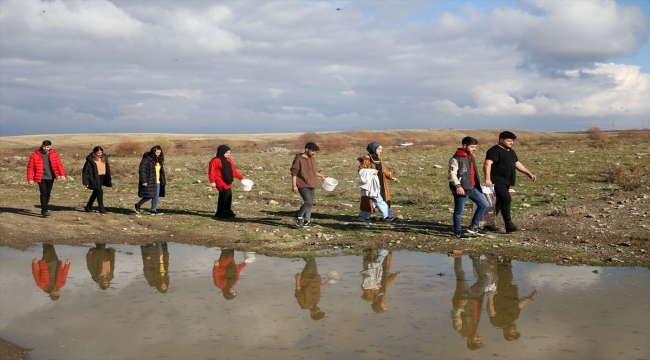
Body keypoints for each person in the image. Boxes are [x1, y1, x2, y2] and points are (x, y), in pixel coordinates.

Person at [484, 131, 536, 233]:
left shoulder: (511, 151)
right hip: (497, 180)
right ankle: (509, 224)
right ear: (501, 140)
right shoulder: (494, 150)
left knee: (498, 203)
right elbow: (487, 164)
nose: (511, 143)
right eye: (509, 140)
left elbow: (517, 163)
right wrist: (488, 179)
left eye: (512, 141)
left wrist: (529, 173)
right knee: (506, 198)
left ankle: (488, 224)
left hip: (507, 181)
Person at [487, 258, 538, 341]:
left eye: (513, 332)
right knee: (507, 270)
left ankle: (498, 256)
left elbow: (491, 311)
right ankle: (506, 257)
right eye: (516, 331)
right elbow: (520, 304)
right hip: (509, 289)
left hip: (498, 292)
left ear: (506, 332)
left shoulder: (498, 323)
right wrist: (530, 297)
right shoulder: (515, 317)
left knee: (498, 271)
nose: (515, 330)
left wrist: (490, 297)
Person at [448, 137, 489, 238]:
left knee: (484, 205)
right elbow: (452, 174)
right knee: (459, 211)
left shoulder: (471, 157)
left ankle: (474, 227)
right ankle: (457, 232)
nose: (474, 149)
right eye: (472, 147)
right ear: (464, 146)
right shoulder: (455, 159)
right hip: (461, 189)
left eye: (475, 147)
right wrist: (458, 186)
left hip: (473, 187)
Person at [451, 255, 488, 351]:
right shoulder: (474, 327)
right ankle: (475, 257)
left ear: (469, 341)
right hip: (474, 297)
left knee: (460, 275)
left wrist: (460, 306)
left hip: (462, 297)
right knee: (484, 279)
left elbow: (455, 315)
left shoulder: (460, 329)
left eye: (477, 340)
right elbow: (477, 310)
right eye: (480, 340)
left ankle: (457, 255)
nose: (479, 338)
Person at [358, 142, 399, 222]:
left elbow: (383, 170)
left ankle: (363, 217)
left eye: (381, 149)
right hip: (372, 184)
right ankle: (388, 216)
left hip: (380, 183)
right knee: (379, 199)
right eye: (379, 149)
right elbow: (360, 170)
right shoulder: (366, 159)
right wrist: (372, 172)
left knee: (371, 200)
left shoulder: (378, 158)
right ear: (373, 149)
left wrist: (391, 177)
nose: (381, 151)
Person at [290, 142, 328, 227]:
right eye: (313, 151)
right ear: (306, 149)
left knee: (310, 203)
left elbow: (312, 172)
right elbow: (294, 173)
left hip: (312, 183)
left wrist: (321, 175)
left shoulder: (312, 159)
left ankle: (307, 221)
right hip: (302, 184)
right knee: (308, 202)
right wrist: (294, 185)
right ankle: (298, 216)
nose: (314, 153)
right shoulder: (299, 159)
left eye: (315, 151)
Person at [26, 140, 66, 217]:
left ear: (50, 147)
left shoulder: (54, 155)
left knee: (48, 193)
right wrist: (30, 179)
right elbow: (30, 168)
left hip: (51, 177)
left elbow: (59, 165)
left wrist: (62, 174)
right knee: (43, 192)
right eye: (44, 147)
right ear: (42, 146)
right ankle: (44, 210)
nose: (46, 148)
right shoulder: (35, 155)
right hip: (41, 177)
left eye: (47, 147)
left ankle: (45, 208)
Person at [209, 145, 245, 219]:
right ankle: (226, 211)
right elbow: (211, 172)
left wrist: (241, 177)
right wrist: (212, 181)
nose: (229, 154)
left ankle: (220, 212)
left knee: (223, 195)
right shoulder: (215, 160)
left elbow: (233, 171)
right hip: (219, 180)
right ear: (222, 152)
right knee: (227, 194)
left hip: (227, 180)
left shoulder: (229, 160)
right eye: (227, 153)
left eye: (229, 153)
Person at [360, 249, 401, 313]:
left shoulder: (370, 296)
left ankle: (376, 246)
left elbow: (365, 285)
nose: (385, 304)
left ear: (378, 306)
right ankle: (383, 247)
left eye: (383, 306)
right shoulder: (381, 296)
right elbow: (386, 283)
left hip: (372, 271)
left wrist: (375, 285)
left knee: (369, 253)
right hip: (382, 270)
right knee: (382, 256)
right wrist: (395, 275)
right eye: (386, 306)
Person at [134, 146, 166, 215]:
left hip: (157, 181)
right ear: (153, 152)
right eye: (157, 152)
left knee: (156, 196)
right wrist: (144, 181)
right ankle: (138, 205)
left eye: (159, 153)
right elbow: (142, 171)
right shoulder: (146, 160)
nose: (158, 154)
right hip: (149, 181)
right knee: (149, 195)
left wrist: (162, 180)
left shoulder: (159, 160)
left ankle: (153, 210)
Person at [82, 146, 112, 214]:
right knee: (99, 190)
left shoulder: (104, 158)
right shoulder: (90, 160)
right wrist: (86, 182)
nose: (100, 154)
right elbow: (85, 172)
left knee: (96, 192)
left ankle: (88, 206)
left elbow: (107, 169)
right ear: (94, 152)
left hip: (102, 177)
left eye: (101, 152)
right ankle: (101, 208)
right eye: (98, 153)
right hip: (94, 177)